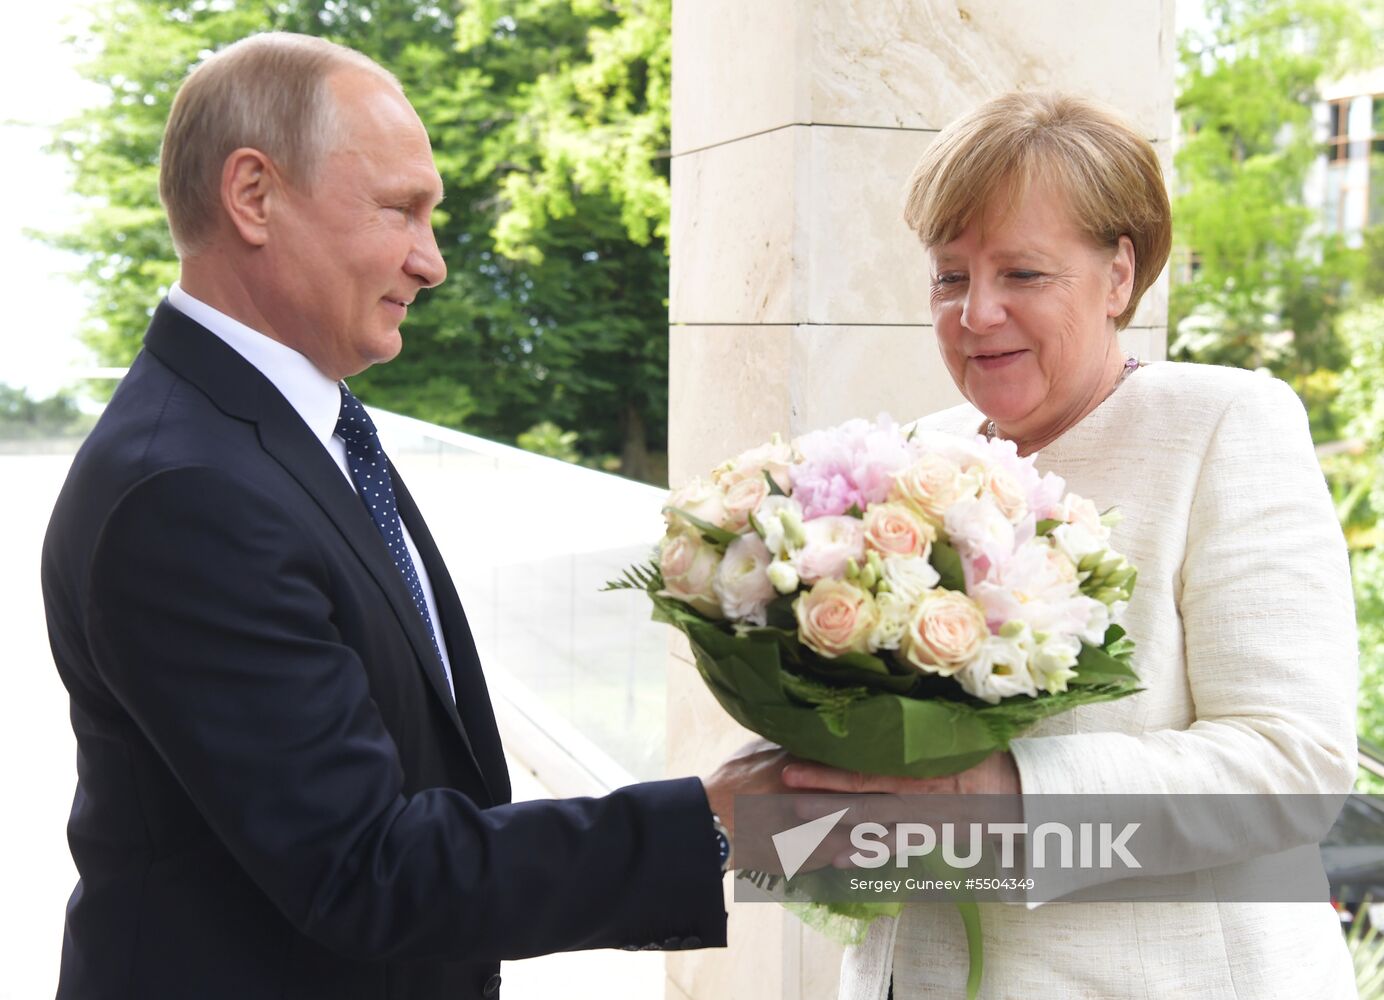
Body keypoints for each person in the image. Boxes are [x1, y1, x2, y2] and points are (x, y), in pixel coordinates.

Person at [40, 32, 794, 1000]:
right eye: (401, 209)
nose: (431, 263)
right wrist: (717, 819)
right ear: (253, 195)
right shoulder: (184, 490)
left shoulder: (292, 422)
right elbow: (366, 867)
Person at [782, 91, 1359, 997]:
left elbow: (1295, 764)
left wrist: (998, 794)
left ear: (1119, 275)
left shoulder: (1223, 425)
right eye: (949, 275)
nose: (975, 313)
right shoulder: (910, 461)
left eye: (1023, 274)